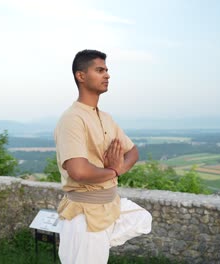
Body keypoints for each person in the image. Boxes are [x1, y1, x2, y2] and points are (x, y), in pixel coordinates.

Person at [54, 49, 152, 264]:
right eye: (100, 70)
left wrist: (117, 167)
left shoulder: (106, 118)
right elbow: (78, 171)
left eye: (107, 70)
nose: (107, 75)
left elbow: (133, 152)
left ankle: (101, 239)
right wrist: (114, 171)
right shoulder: (73, 118)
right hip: (85, 216)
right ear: (81, 76)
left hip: (109, 205)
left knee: (143, 218)